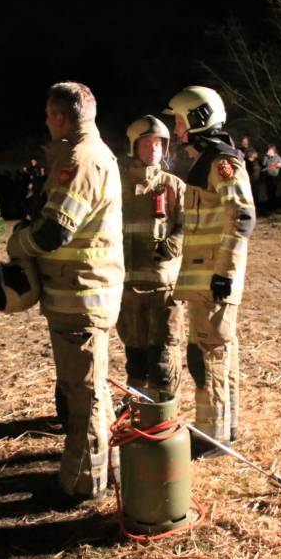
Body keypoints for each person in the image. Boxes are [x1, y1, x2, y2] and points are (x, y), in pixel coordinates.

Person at [7, 82, 123, 503]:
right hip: (84, 293)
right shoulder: (92, 153)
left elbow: (55, 231)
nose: (46, 124)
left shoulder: (80, 159)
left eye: (47, 117)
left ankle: (81, 484)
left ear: (59, 117)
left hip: (80, 296)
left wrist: (18, 243)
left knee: (83, 395)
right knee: (94, 388)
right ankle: (109, 471)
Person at [163, 86, 256, 459]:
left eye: (180, 121)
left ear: (198, 119)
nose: (177, 130)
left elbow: (242, 216)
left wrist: (224, 274)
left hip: (214, 281)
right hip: (207, 280)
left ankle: (212, 437)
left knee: (208, 357)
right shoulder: (209, 161)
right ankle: (223, 430)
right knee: (218, 353)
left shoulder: (221, 163)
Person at [117, 115, 186, 399]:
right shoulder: (117, 186)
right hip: (128, 289)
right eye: (147, 143)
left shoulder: (173, 185)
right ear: (134, 147)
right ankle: (137, 412)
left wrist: (172, 245)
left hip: (164, 288)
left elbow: (188, 225)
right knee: (135, 359)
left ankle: (164, 415)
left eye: (158, 143)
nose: (154, 149)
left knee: (163, 359)